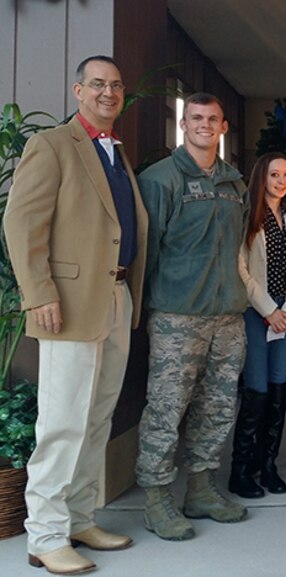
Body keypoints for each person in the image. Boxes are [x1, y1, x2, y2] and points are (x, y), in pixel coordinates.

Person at [4, 55, 147, 575]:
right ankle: (44, 536)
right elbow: (21, 223)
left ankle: (80, 517)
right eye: (97, 85)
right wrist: (39, 293)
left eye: (115, 85)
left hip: (115, 297)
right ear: (77, 90)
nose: (108, 92)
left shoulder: (115, 152)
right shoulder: (51, 145)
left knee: (95, 417)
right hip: (65, 304)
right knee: (62, 421)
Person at [135, 92, 249, 541]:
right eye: (196, 118)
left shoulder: (233, 181)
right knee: (166, 408)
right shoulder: (160, 179)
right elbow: (148, 250)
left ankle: (201, 489)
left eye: (213, 119)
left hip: (227, 317)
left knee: (217, 406)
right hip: (178, 317)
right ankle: (157, 499)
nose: (205, 125)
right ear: (184, 126)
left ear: (223, 128)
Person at [228, 153, 286, 498]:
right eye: (274, 174)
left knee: (279, 389)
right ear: (261, 177)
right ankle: (241, 471)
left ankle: (269, 465)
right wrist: (268, 309)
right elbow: (241, 269)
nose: (281, 180)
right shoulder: (247, 217)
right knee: (257, 389)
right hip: (256, 313)